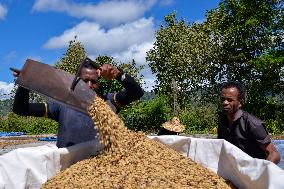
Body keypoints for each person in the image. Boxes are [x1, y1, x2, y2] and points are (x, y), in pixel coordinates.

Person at [12, 58, 144, 148]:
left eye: (94, 81)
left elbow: (137, 92)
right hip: (69, 169)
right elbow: (21, 109)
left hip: (103, 168)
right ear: (76, 82)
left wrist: (118, 74)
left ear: (99, 83)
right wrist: (25, 83)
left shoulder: (109, 102)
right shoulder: (63, 103)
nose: (89, 85)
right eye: (85, 81)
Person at [217, 81, 280, 164]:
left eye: (230, 100)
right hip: (235, 170)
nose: (225, 103)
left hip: (253, 171)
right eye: (222, 99)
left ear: (241, 102)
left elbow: (274, 154)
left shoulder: (252, 124)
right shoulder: (223, 122)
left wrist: (261, 172)